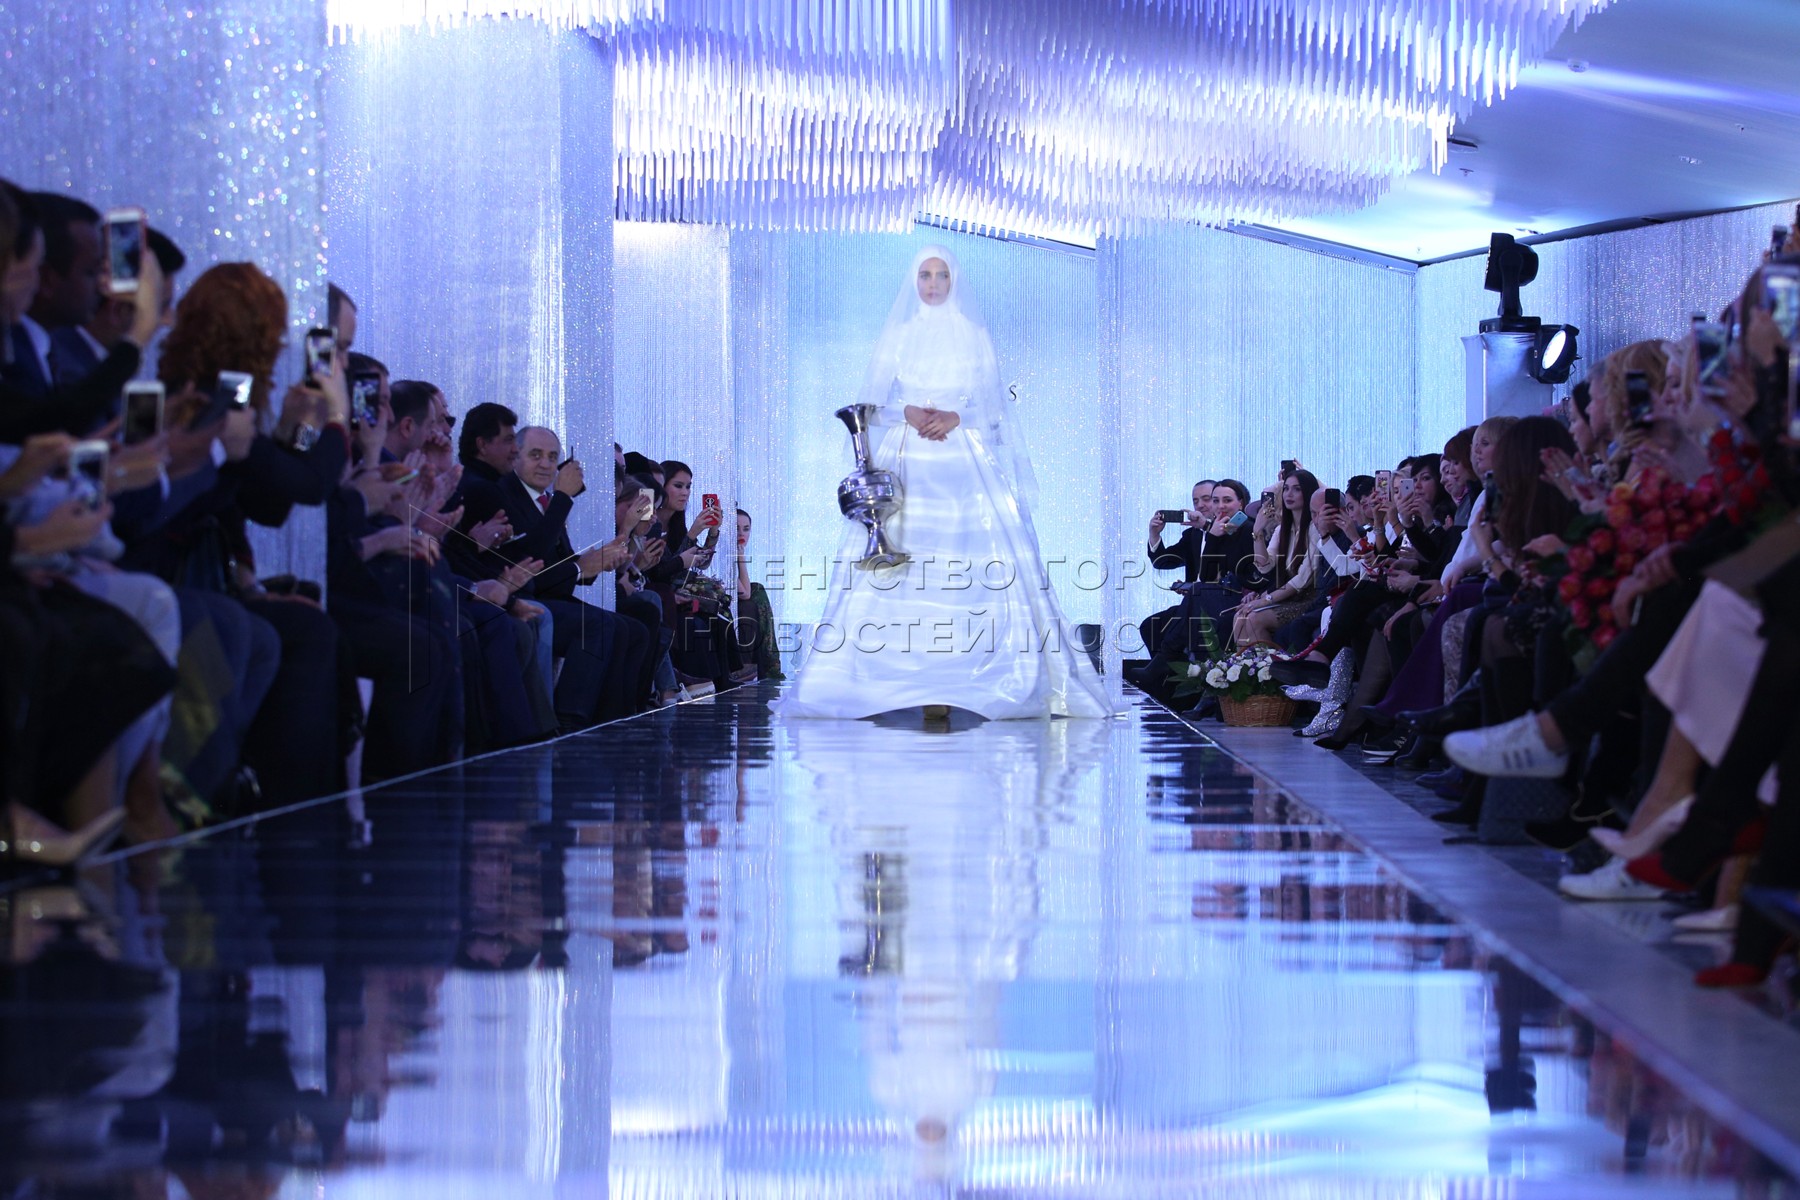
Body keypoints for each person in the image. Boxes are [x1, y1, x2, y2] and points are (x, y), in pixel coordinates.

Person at [780, 244, 1113, 720]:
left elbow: (995, 410)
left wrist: (956, 416)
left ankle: (963, 679)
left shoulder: (974, 335)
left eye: (941, 275)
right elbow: (870, 404)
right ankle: (902, 680)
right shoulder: (898, 334)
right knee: (901, 560)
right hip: (908, 459)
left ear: (954, 280)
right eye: (925, 275)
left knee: (972, 558)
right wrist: (909, 411)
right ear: (914, 281)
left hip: (962, 460)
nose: (933, 284)